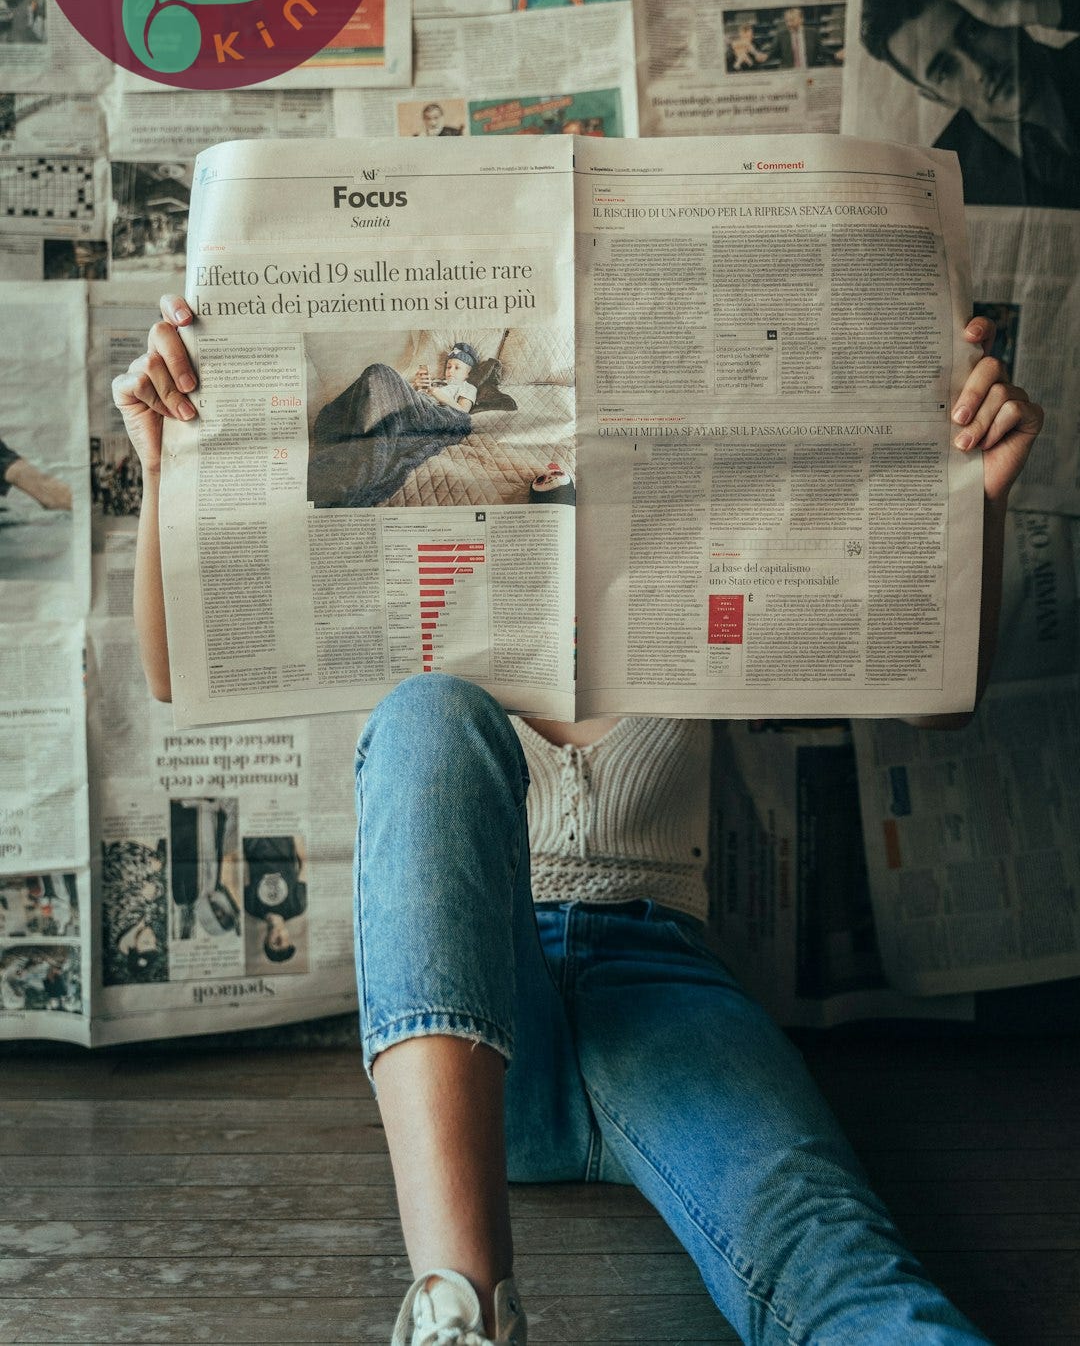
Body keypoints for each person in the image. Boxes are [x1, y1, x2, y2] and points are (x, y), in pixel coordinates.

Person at [115, 294, 1042, 1345]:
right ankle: (461, 1312)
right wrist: (167, 465)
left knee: (841, 1271)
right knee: (429, 712)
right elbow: (177, 669)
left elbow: (935, 696)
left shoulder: (702, 563)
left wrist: (979, 499)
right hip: (459, 1031)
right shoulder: (402, 556)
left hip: (666, 991)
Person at [860, 0, 1080, 208]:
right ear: (934, 96)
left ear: (999, 9)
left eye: (974, 31)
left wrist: (1030, 4)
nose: (979, 69)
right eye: (945, 70)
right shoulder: (942, 189)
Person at [306, 342, 479, 509]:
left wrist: (435, 392)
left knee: (379, 370)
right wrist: (417, 387)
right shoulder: (436, 381)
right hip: (415, 405)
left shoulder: (467, 387)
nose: (450, 371)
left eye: (457, 367)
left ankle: (364, 434)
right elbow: (403, 396)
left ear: (468, 373)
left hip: (433, 413)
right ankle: (359, 428)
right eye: (449, 366)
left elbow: (463, 412)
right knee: (375, 378)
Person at [243, 836, 308, 964]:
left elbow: (244, 871)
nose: (279, 937)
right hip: (283, 838)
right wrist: (295, 837)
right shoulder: (297, 907)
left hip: (253, 840)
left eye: (275, 943)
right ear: (289, 937)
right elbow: (304, 865)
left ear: (266, 941)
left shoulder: (251, 908)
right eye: (284, 941)